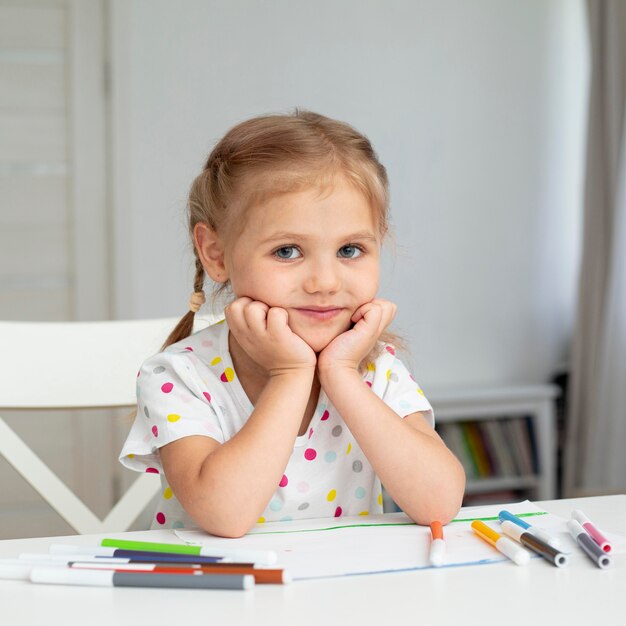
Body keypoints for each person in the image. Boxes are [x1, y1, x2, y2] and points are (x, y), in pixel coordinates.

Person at [120, 110, 465, 537]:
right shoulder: (180, 375)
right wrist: (291, 374)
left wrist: (340, 375)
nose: (325, 282)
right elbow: (225, 516)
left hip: (341, 592)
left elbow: (439, 504)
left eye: (350, 250)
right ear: (216, 253)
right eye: (287, 251)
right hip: (216, 595)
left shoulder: (375, 369)